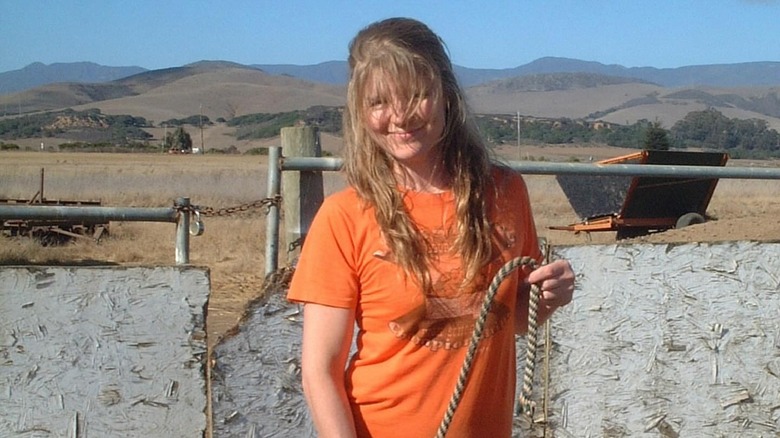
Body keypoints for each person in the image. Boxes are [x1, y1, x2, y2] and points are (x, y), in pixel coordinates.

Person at [287, 17, 575, 438]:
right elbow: (319, 371)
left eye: (417, 95)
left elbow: (504, 321)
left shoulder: (506, 193)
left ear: (446, 96)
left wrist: (549, 297)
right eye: (379, 102)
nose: (400, 117)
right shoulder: (344, 217)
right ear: (360, 112)